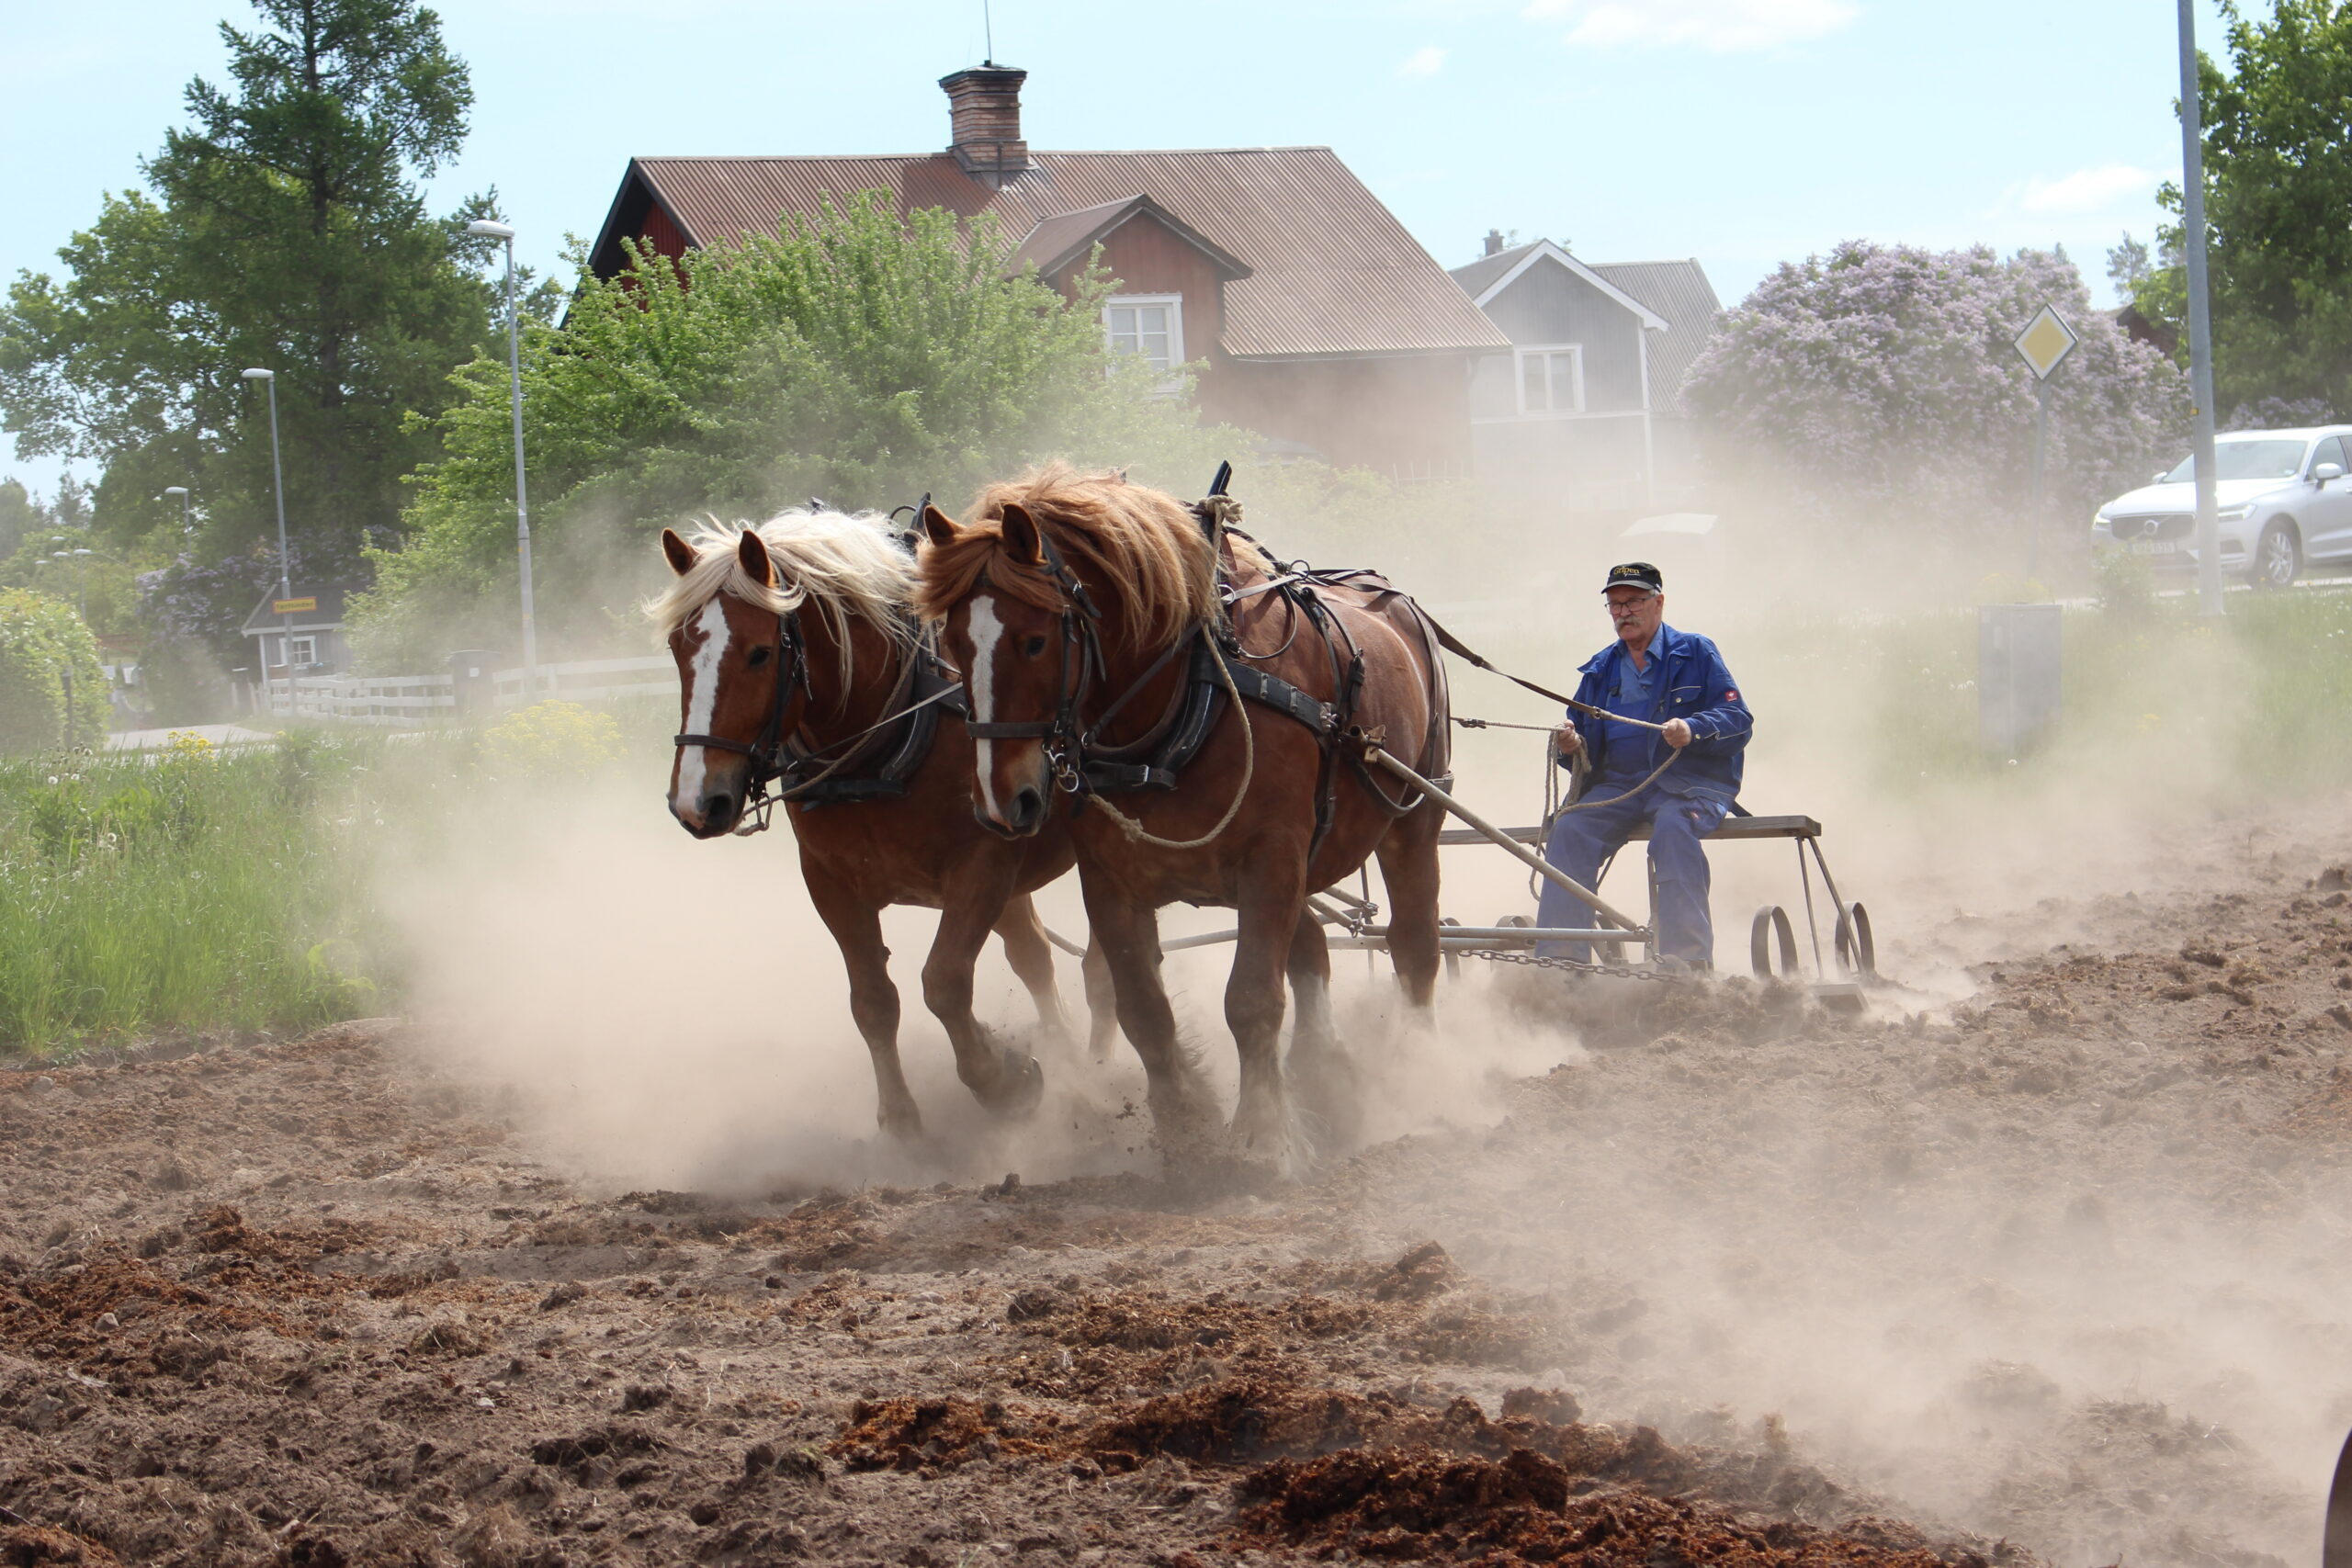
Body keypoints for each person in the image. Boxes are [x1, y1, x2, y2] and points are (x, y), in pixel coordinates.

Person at [1539, 562, 1752, 971]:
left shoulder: (1696, 652)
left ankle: (1685, 963)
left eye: (1633, 601)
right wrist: (1570, 745)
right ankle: (1562, 965)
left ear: (1659, 602)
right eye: (1615, 605)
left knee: (1673, 830)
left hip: (1686, 786)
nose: (1624, 612)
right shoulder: (1599, 669)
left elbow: (1738, 720)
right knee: (1570, 828)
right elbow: (1579, 741)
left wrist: (1693, 728)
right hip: (1617, 787)